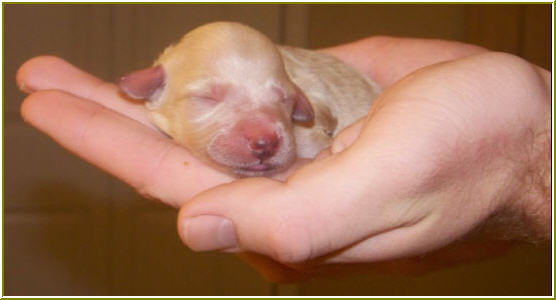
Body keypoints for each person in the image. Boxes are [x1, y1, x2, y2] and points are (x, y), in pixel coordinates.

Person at [17, 36, 551, 282]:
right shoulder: (155, 86)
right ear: (149, 90)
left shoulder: (307, 108)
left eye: (277, 101)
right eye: (209, 97)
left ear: (296, 102)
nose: (263, 134)